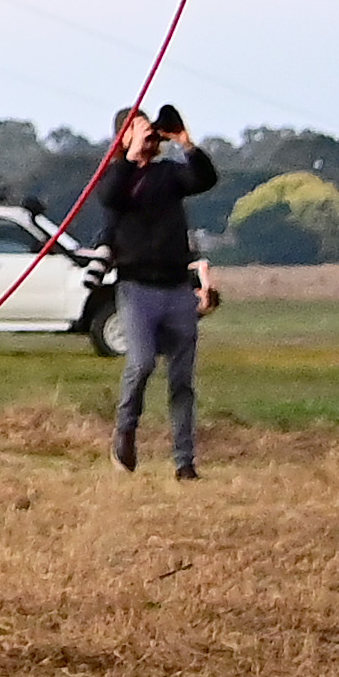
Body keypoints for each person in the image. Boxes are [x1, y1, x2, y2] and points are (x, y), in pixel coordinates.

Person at [96, 105, 222, 478]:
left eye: (150, 127)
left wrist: (185, 143)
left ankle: (185, 463)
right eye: (139, 127)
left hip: (176, 287)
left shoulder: (169, 175)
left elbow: (204, 180)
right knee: (142, 363)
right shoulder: (117, 178)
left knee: (182, 380)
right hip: (137, 288)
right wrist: (130, 157)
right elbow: (109, 197)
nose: (149, 132)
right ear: (123, 137)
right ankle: (126, 427)